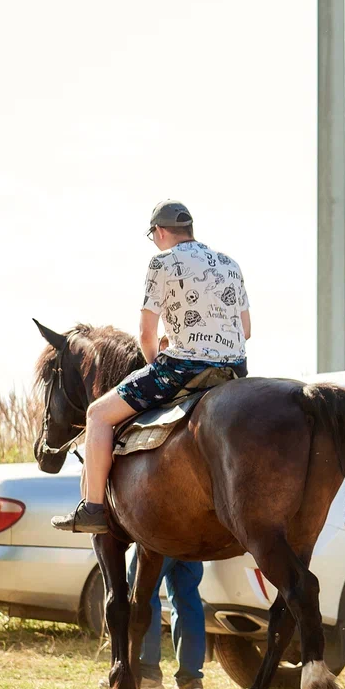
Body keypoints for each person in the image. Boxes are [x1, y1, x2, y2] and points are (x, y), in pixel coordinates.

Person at [52, 201, 251, 534]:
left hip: (184, 367)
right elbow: (246, 330)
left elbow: (146, 333)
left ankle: (93, 509)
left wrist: (153, 363)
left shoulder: (162, 262)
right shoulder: (230, 264)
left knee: (98, 415)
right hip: (234, 369)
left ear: (160, 232)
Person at [127, 547, 208, 689]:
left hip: (159, 534)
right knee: (187, 597)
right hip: (192, 536)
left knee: (143, 589)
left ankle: (147, 673)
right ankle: (190, 680)